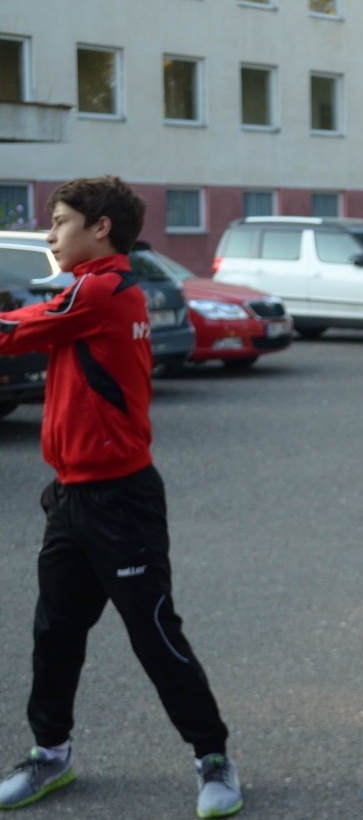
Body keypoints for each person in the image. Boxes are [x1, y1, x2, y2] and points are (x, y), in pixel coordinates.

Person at [0, 176, 243, 819]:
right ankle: (50, 754)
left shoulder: (103, 290)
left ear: (100, 226)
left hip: (121, 501)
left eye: (58, 221)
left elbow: (10, 332)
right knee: (55, 632)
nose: (50, 235)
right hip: (72, 497)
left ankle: (212, 757)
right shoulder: (90, 289)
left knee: (154, 633)